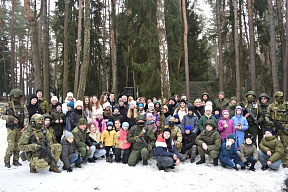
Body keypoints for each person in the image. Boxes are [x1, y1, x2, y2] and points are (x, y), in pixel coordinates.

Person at [1, 89, 29, 168]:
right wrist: (10, 118)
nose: (16, 97)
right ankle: (7, 161)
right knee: (11, 145)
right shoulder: (7, 105)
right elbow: (1, 115)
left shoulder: (22, 105)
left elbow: (26, 117)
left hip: (20, 128)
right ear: (12, 96)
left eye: (18, 96)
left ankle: (16, 160)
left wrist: (25, 127)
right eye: (15, 96)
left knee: (18, 145)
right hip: (11, 128)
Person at [265, 91, 288, 167]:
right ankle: (273, 160)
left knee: (285, 145)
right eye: (278, 97)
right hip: (275, 127)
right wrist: (271, 123)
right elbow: (267, 116)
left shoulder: (287, 105)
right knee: (273, 145)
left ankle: (286, 161)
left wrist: (286, 127)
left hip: (284, 127)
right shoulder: (272, 106)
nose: (279, 98)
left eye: (281, 97)